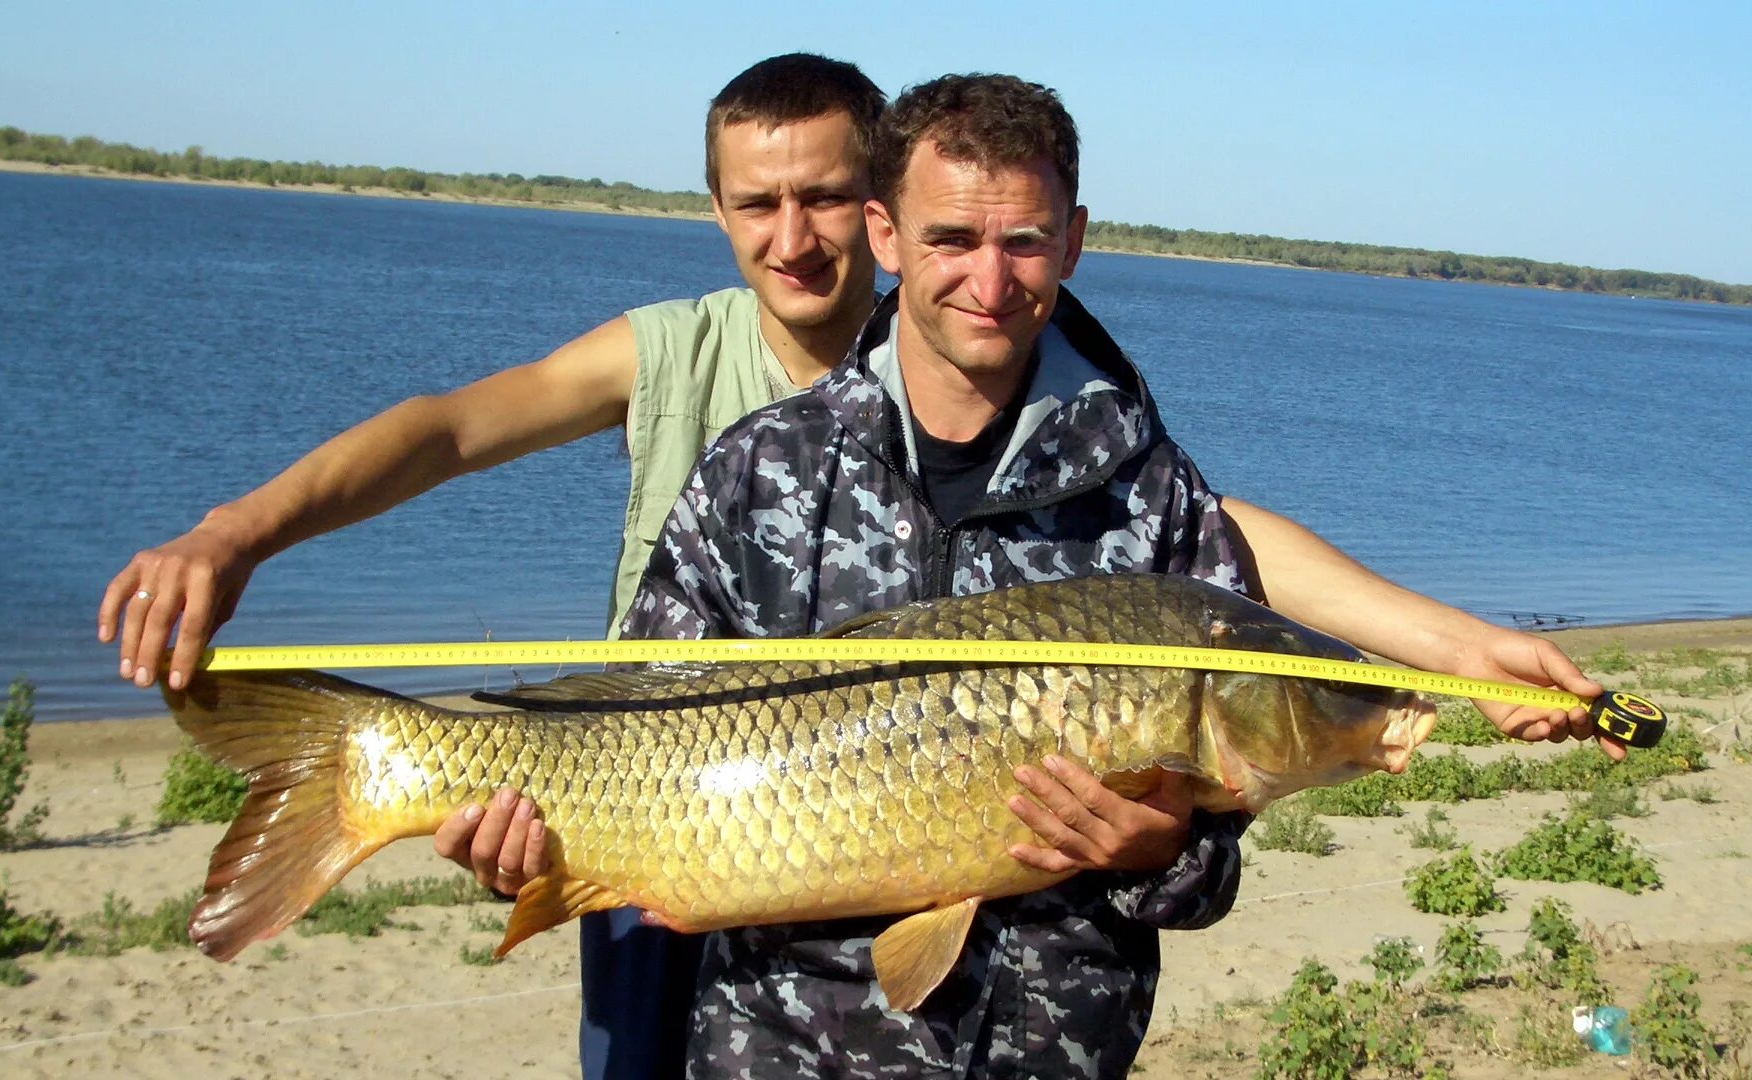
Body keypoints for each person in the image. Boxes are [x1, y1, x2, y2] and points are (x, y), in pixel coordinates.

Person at [616, 72, 1615, 1077]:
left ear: (1074, 239)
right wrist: (524, 848)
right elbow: (625, 729)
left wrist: (1161, 852)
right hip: (780, 1049)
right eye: (953, 240)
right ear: (886, 235)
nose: (990, 281)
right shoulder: (760, 470)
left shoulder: (1153, 497)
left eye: (1024, 243)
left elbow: (1208, 873)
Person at [95, 53, 889, 1080]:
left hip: (868, 820)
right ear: (716, 207)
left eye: (823, 198)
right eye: (757, 203)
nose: (791, 239)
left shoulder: (943, 357)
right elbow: (450, 431)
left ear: (877, 204)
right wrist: (236, 531)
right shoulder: (672, 349)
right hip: (640, 816)